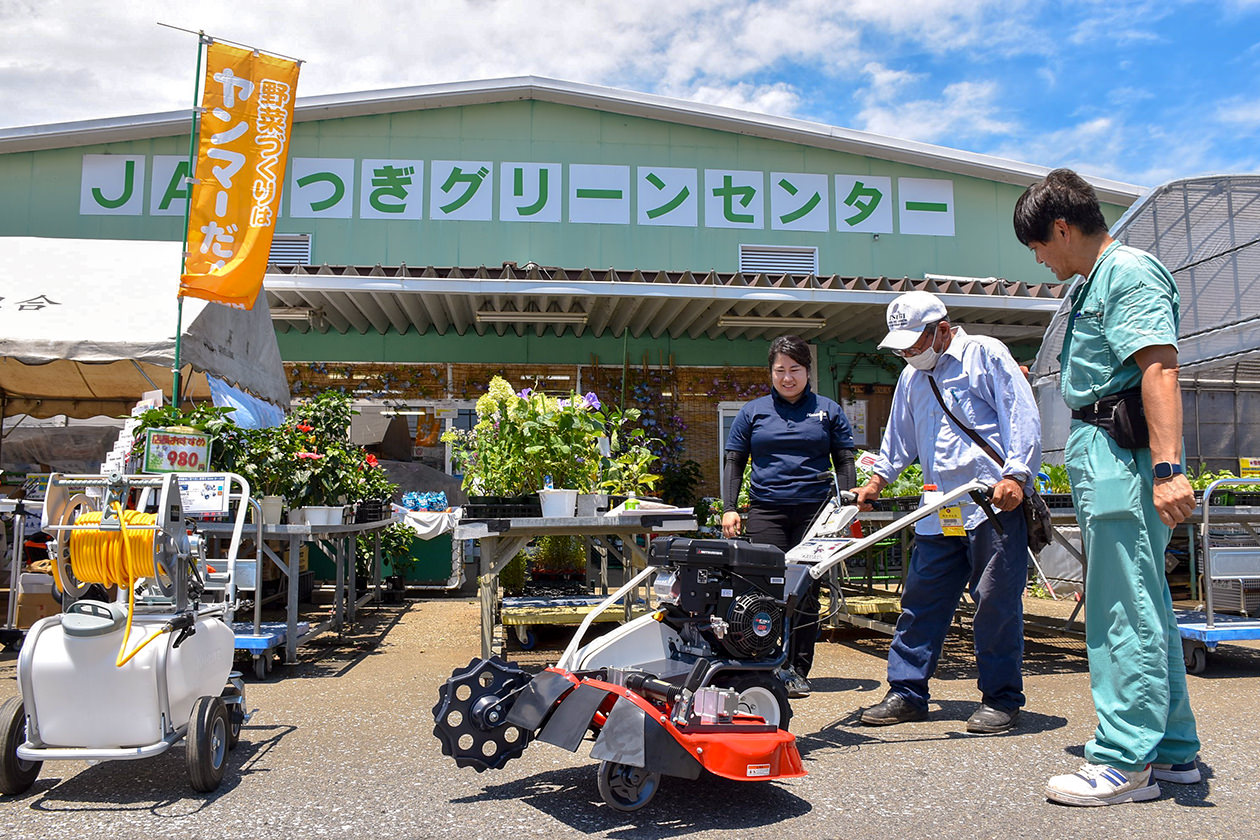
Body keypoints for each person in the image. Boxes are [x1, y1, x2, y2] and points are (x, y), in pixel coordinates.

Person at [1014, 168, 1200, 807]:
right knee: (1141, 603)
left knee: (1122, 610)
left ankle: (1125, 761)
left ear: (1061, 227)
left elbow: (1159, 367)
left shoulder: (1128, 273)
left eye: (1038, 244)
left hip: (1125, 457)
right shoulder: (1098, 279)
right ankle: (1173, 753)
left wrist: (1171, 469)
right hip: (1109, 454)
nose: (1038, 258)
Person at [853, 290, 1040, 735]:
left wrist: (1016, 475)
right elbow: (899, 438)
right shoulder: (910, 378)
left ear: (941, 330)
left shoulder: (986, 355)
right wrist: (877, 480)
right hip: (940, 508)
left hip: (992, 506)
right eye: (900, 346)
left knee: (994, 602)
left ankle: (1001, 699)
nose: (908, 353)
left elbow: (1022, 414)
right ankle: (907, 691)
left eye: (914, 344)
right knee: (921, 601)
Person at [722, 335, 857, 697]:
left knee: (806, 592)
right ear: (770, 372)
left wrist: (846, 505)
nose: (786, 378)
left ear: (807, 371)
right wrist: (729, 507)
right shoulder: (753, 412)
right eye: (779, 370)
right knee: (766, 591)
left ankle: (797, 669)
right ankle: (767, 663)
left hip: (816, 515)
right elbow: (735, 461)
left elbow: (844, 459)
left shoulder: (827, 410)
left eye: (794, 370)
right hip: (767, 511)